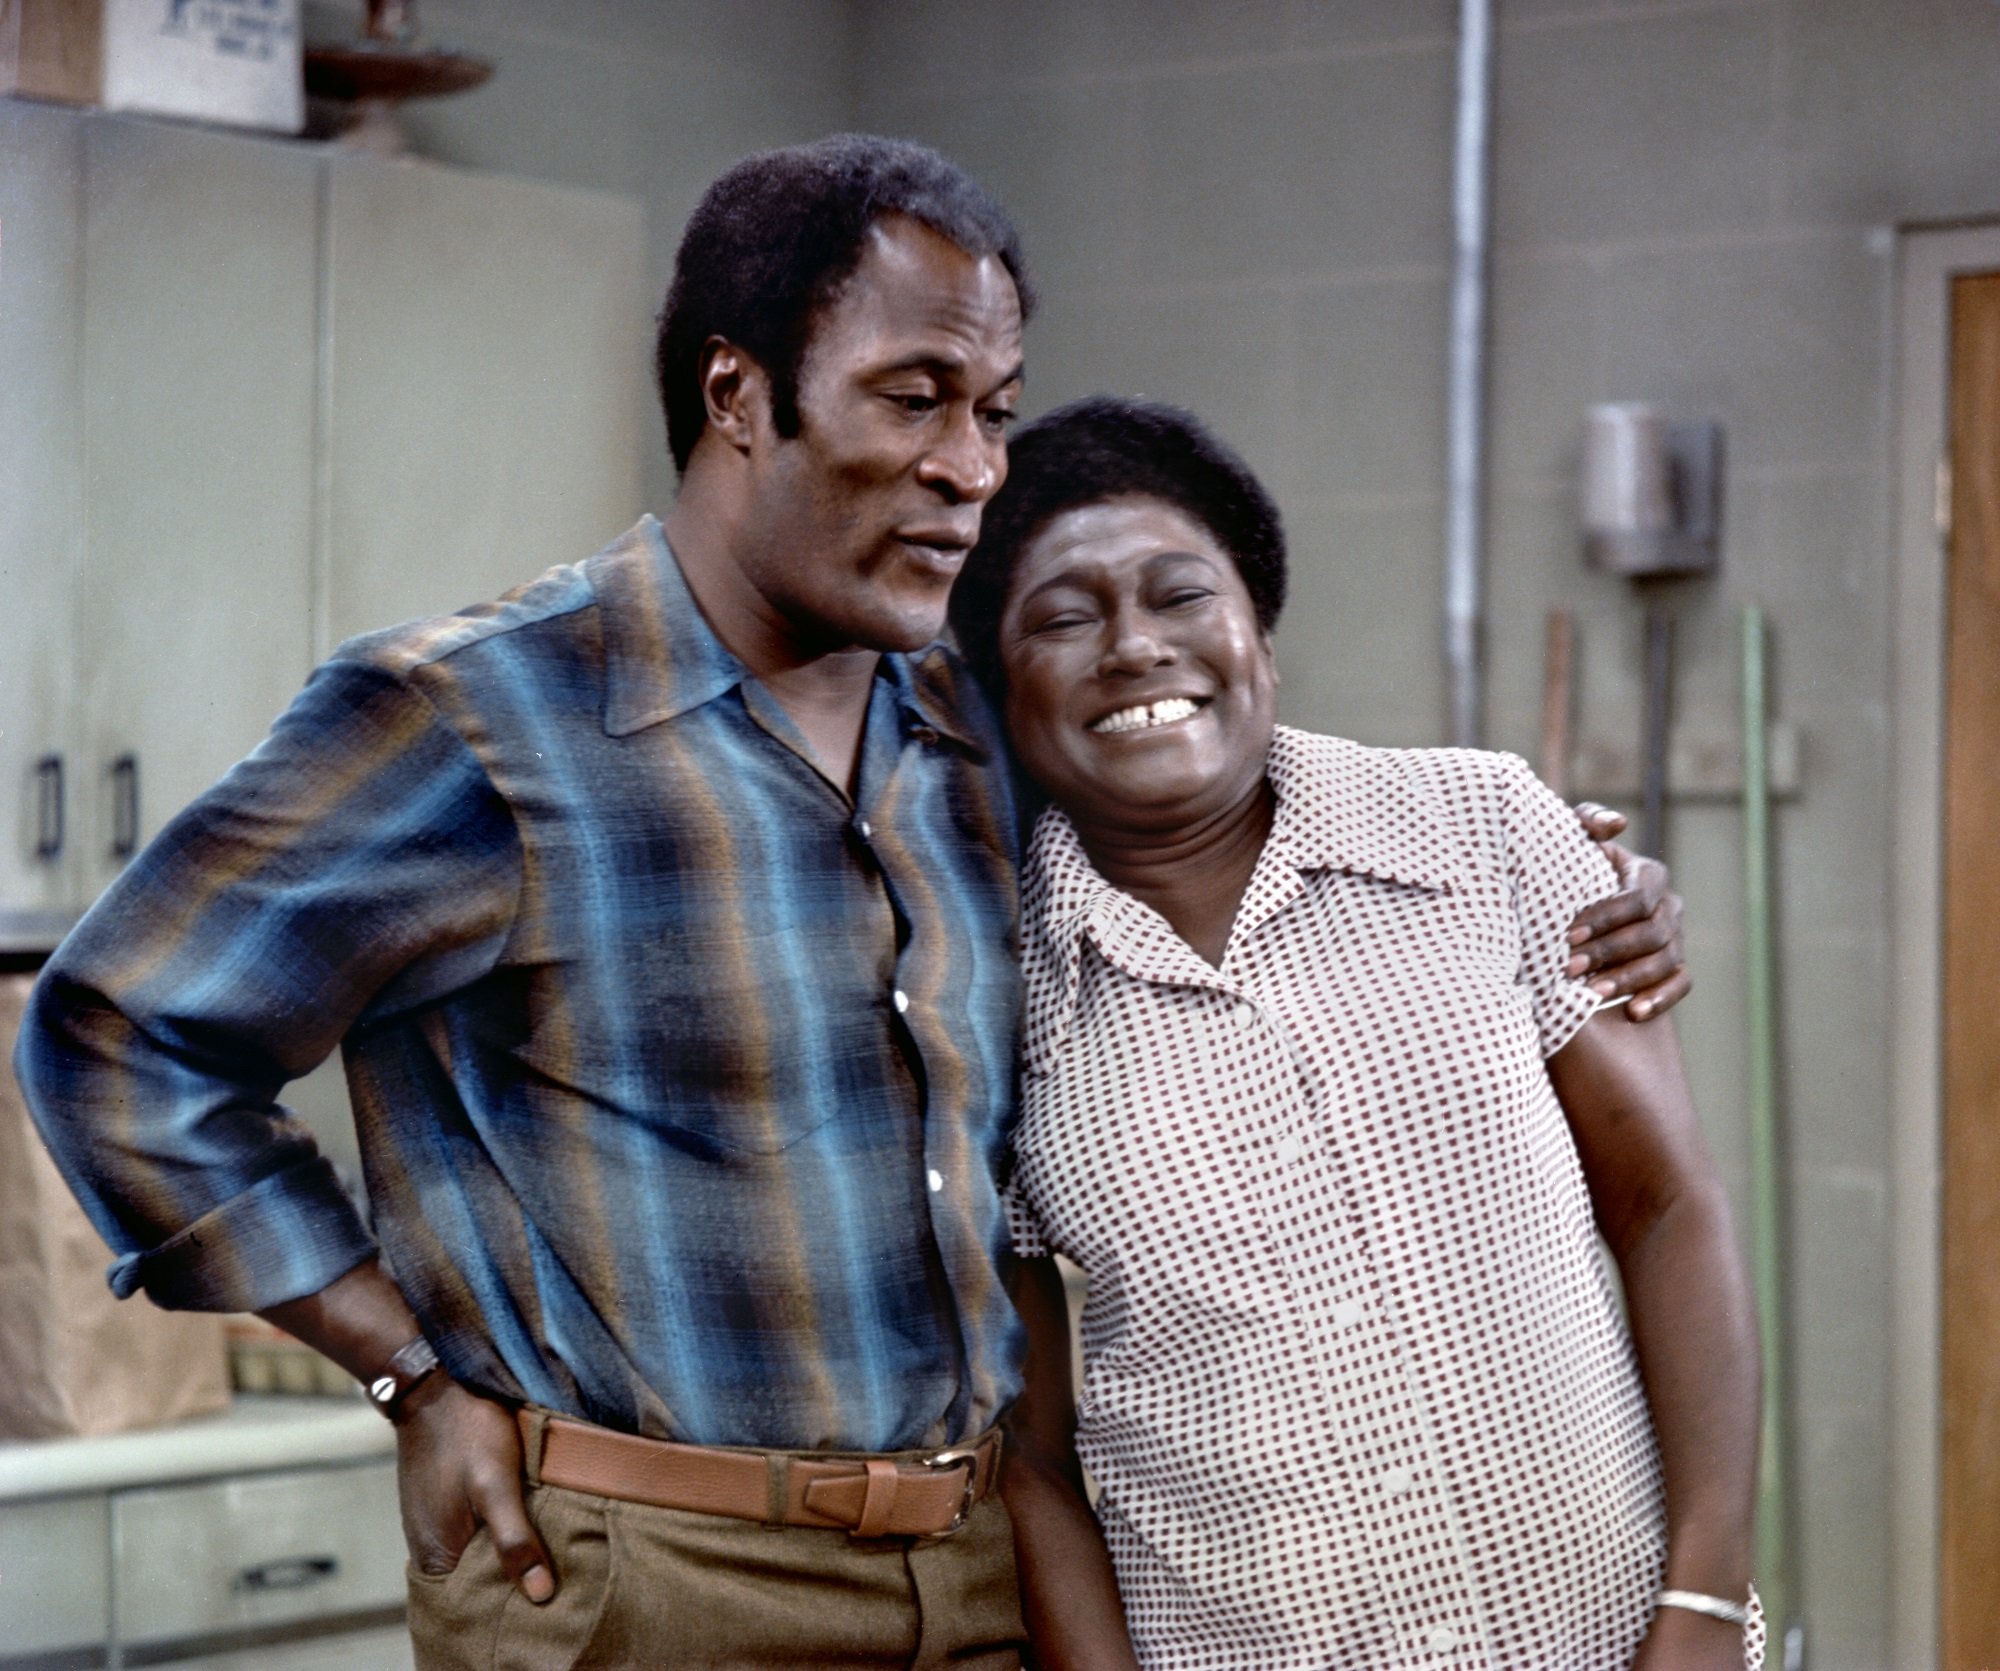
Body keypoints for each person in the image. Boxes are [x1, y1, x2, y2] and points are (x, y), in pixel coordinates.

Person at [14, 138, 1686, 1669]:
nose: (972, 467)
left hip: (976, 1568)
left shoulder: (969, 726)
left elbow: (1223, 811)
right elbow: (118, 1035)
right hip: (647, 1581)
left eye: (997, 410)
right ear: (738, 393)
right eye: (916, 398)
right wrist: (405, 1370)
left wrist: (1558, 864)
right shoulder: (477, 717)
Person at [946, 397, 1761, 1671]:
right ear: (1004, 689)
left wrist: (1705, 1602)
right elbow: (1031, 1457)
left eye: (1179, 594)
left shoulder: (1483, 826)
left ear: (1257, 631)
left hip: (1604, 1642)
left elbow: (1665, 1207)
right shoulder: (988, 989)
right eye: (1060, 618)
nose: (1134, 645)